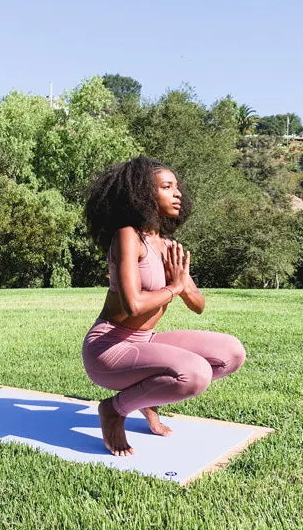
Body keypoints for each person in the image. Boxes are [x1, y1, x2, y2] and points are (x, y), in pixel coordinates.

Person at [82, 155, 246, 456]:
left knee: (231, 353)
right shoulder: (127, 237)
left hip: (145, 341)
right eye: (167, 187)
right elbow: (134, 305)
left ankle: (145, 399)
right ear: (143, 194)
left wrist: (181, 284)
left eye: (177, 187)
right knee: (194, 373)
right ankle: (114, 410)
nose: (178, 193)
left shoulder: (168, 246)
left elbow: (198, 305)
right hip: (109, 348)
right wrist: (174, 287)